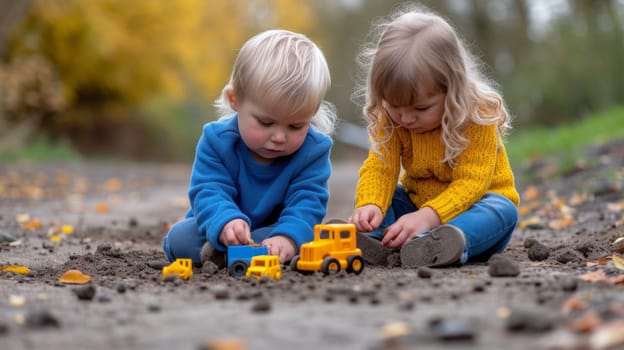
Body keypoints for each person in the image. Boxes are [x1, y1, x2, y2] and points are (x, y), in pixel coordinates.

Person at [349, 6, 520, 268]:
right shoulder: (391, 120)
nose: (405, 119)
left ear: (452, 90)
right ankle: (374, 240)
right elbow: (381, 167)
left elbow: (471, 184)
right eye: (394, 106)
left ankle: (443, 245)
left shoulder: (477, 116)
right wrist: (370, 205)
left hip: (471, 213)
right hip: (418, 209)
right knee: (388, 198)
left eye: (420, 108)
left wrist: (430, 217)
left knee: (502, 210)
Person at [163, 29, 337, 267]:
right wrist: (226, 222)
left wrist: (286, 237)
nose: (279, 137)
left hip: (271, 233)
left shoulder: (313, 151)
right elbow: (208, 190)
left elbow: (307, 202)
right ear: (235, 101)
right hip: (219, 226)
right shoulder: (217, 141)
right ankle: (228, 252)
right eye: (266, 122)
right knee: (179, 238)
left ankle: (238, 256)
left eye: (295, 125)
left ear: (312, 113)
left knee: (304, 238)